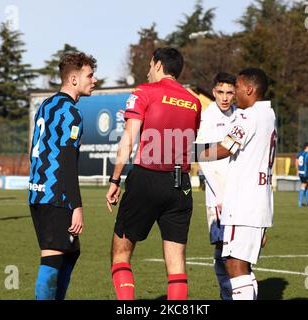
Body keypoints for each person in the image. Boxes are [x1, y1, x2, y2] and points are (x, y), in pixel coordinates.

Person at [105, 47, 201, 300]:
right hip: (181, 183)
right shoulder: (193, 101)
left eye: (150, 65)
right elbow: (189, 142)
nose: (148, 70)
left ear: (158, 65)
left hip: (147, 177)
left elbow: (128, 139)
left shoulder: (144, 92)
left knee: (121, 253)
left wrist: (115, 180)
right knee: (176, 262)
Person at [197, 68, 276, 300]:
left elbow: (226, 147)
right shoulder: (269, 115)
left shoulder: (248, 115)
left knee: (234, 265)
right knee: (236, 262)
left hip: (243, 204)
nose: (233, 95)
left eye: (237, 89)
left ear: (249, 89)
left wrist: (187, 152)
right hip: (259, 201)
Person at [28, 52, 97, 300]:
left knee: (70, 252)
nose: (94, 80)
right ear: (74, 79)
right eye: (90, 75)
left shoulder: (46, 105)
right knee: (53, 258)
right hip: (55, 195)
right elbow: (67, 161)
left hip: (38, 192)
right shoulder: (71, 113)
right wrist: (76, 206)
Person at [196, 72, 238, 300]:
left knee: (237, 246)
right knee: (222, 245)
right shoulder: (207, 117)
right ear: (213, 92)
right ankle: (227, 293)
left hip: (238, 193)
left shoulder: (239, 115)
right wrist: (221, 194)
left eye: (229, 93)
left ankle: (238, 290)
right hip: (219, 196)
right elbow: (204, 158)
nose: (225, 97)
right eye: (220, 92)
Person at [296, 142, 308, 207]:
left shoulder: (300, 153)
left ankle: (307, 202)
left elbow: (296, 162)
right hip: (305, 172)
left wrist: (297, 170)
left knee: (306, 185)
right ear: (307, 147)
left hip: (300, 172)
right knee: (304, 185)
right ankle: (300, 203)